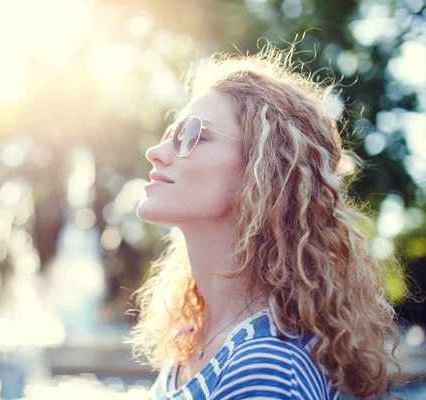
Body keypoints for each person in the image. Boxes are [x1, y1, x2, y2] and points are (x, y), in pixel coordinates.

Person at [126, 44, 404, 400]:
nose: (156, 152)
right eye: (169, 135)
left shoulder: (266, 366)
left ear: (265, 169)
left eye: (194, 135)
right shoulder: (196, 337)